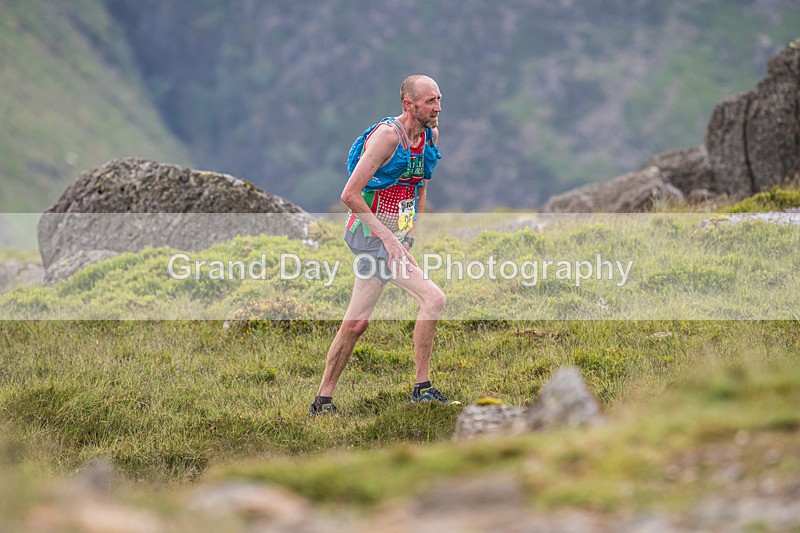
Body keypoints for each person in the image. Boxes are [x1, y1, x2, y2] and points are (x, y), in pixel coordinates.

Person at [310, 75, 460, 415]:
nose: (438, 107)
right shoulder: (387, 138)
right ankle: (422, 389)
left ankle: (322, 401)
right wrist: (391, 239)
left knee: (356, 323)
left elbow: (421, 184)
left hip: (394, 238)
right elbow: (349, 194)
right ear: (409, 105)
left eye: (439, 99)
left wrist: (410, 233)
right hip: (369, 234)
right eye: (430, 102)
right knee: (434, 299)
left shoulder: (429, 136)